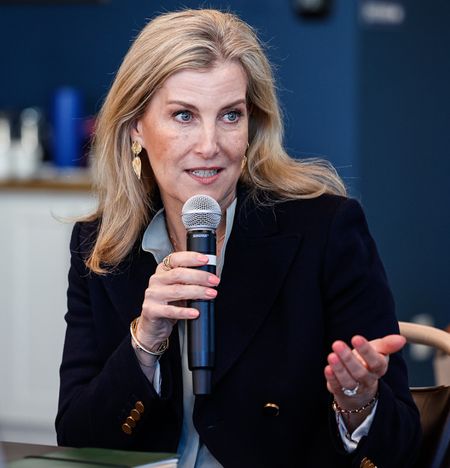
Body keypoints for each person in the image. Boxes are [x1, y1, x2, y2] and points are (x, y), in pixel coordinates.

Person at [56, 8, 421, 468]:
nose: (210, 145)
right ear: (137, 129)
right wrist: (144, 341)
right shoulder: (100, 246)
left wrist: (359, 403)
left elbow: (401, 450)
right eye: (184, 115)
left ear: (252, 126)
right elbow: (78, 442)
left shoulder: (326, 230)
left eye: (230, 115)